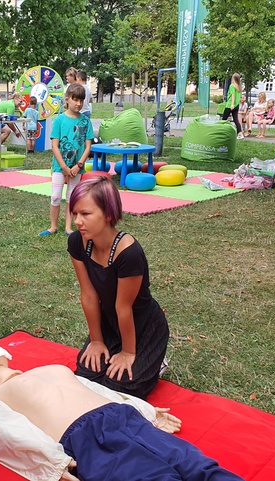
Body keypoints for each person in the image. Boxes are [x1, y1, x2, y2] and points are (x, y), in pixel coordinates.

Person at [0, 345, 243, 481]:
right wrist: (51, 462)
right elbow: (6, 433)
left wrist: (145, 410)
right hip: (85, 437)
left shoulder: (51, 368)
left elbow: (98, 390)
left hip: (121, 415)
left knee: (194, 463)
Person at [67, 176, 170, 399]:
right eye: (74, 213)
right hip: (108, 321)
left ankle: (155, 363)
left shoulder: (129, 253)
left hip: (142, 325)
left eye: (85, 214)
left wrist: (128, 352)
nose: (77, 221)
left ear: (109, 214)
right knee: (85, 378)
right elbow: (89, 295)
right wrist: (96, 340)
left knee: (120, 389)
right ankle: (116, 351)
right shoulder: (76, 242)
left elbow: (124, 308)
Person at [39, 84, 92, 237]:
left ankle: (68, 227)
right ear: (67, 99)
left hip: (78, 167)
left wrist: (79, 165)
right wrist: (63, 166)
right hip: (59, 166)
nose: (79, 104)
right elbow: (54, 145)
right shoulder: (59, 120)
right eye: (75, 100)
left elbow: (88, 147)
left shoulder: (85, 122)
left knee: (72, 198)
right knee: (56, 196)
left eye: (81, 100)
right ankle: (53, 227)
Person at [220, 73, 244, 139]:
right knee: (236, 119)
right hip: (236, 105)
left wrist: (232, 104)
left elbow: (233, 95)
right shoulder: (239, 87)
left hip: (230, 104)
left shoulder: (232, 86)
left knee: (224, 119)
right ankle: (240, 133)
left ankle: (220, 132)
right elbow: (239, 97)